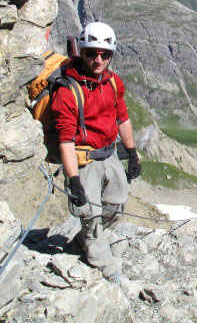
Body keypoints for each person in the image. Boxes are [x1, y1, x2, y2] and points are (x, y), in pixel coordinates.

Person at [51, 22, 141, 281]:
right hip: (83, 159)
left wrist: (132, 153)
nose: (98, 59)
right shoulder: (67, 89)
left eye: (105, 54)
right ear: (82, 50)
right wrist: (75, 180)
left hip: (109, 153)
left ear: (111, 55)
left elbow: (122, 118)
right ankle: (105, 267)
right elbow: (66, 139)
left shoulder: (113, 82)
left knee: (116, 204)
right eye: (92, 53)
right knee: (91, 214)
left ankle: (84, 240)